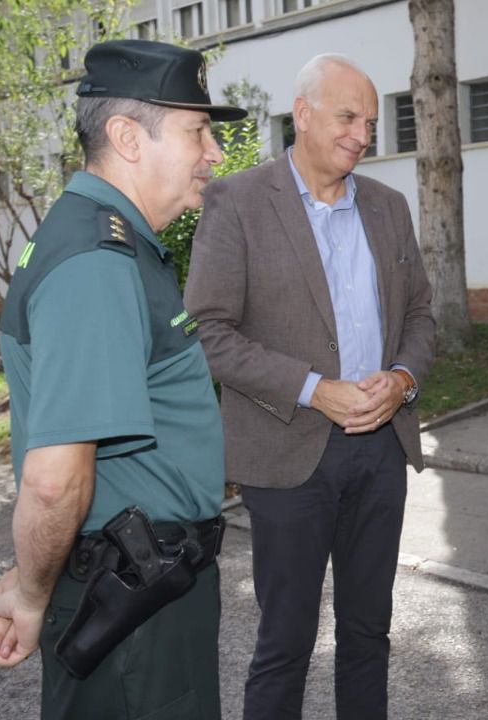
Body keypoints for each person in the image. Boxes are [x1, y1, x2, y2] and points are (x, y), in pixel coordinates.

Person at [0, 40, 244, 720]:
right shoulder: (99, 262)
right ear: (127, 137)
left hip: (138, 586)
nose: (215, 152)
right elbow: (57, 478)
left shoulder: (110, 243)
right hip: (133, 608)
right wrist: (33, 595)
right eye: (197, 130)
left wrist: (29, 575)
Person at [183, 53, 435, 719]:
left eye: (372, 121)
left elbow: (418, 317)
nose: (362, 133)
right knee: (286, 642)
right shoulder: (237, 202)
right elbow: (208, 330)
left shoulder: (388, 206)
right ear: (302, 114)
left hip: (381, 453)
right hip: (288, 453)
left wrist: (403, 379)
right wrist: (313, 387)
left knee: (367, 634)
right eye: (348, 116)